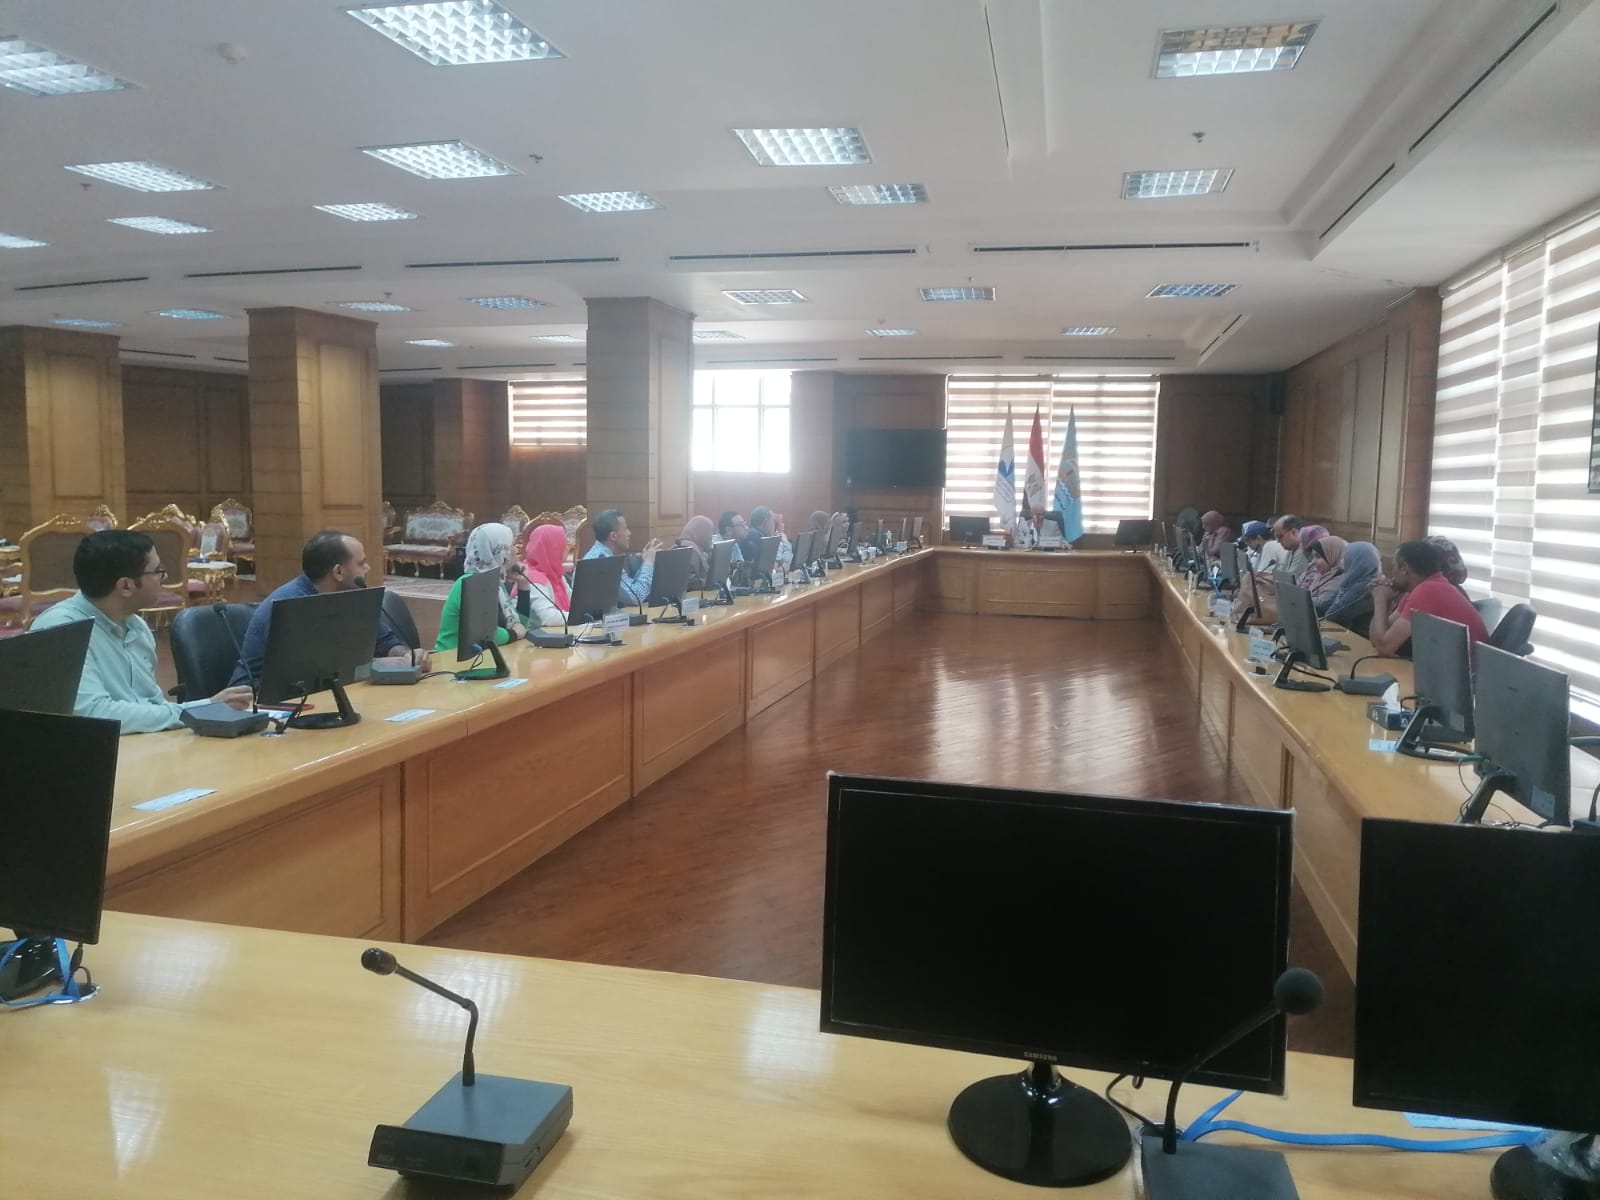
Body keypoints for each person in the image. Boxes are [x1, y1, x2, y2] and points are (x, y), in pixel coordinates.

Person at [31, 530, 253, 734]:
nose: (164, 577)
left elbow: (150, 705)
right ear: (126, 586)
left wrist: (207, 709)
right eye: (157, 571)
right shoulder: (60, 629)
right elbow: (94, 714)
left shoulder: (136, 626)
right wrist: (200, 710)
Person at [231, 530, 415, 688]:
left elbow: (385, 641)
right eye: (361, 563)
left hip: (318, 694)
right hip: (254, 699)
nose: (368, 568)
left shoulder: (350, 595)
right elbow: (312, 671)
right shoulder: (294, 604)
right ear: (338, 572)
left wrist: (405, 655)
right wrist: (376, 664)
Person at [1367, 539, 1489, 658]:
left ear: (1404, 569)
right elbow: (1376, 640)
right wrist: (1387, 600)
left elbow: (1385, 648)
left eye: (1395, 566)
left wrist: (1379, 599)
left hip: (1465, 669)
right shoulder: (1420, 588)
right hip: (1446, 664)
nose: (1392, 572)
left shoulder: (1428, 591)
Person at [436, 523, 528, 651]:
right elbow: (485, 635)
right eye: (511, 546)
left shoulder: (497, 583)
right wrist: (514, 634)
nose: (515, 550)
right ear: (498, 551)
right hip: (450, 657)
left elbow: (521, 625)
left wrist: (523, 585)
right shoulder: (471, 583)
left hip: (484, 656)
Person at [582, 508, 663, 607]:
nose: (629, 533)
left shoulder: (604, 555)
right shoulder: (603, 561)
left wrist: (645, 562)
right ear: (613, 536)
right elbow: (636, 597)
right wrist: (649, 562)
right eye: (625, 529)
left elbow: (631, 589)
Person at [1317, 541, 1382, 638]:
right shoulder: (1352, 580)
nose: (1342, 560)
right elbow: (1326, 604)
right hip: (1347, 635)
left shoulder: (1366, 587)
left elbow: (1332, 616)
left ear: (1357, 560)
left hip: (1360, 641)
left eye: (1345, 556)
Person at [518, 523, 569, 628]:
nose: (568, 549)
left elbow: (576, 603)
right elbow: (548, 617)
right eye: (563, 545)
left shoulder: (555, 574)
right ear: (552, 549)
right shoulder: (531, 578)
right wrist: (579, 617)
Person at [1303, 535, 1349, 608]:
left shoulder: (1338, 578)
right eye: (1313, 556)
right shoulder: (1322, 574)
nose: (1313, 561)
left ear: (1332, 555)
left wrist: (1300, 597)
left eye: (1318, 556)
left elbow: (1321, 605)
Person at [676, 515, 716, 593]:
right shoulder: (686, 551)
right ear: (700, 532)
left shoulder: (695, 549)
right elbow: (690, 583)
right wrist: (711, 582)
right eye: (708, 532)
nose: (710, 537)